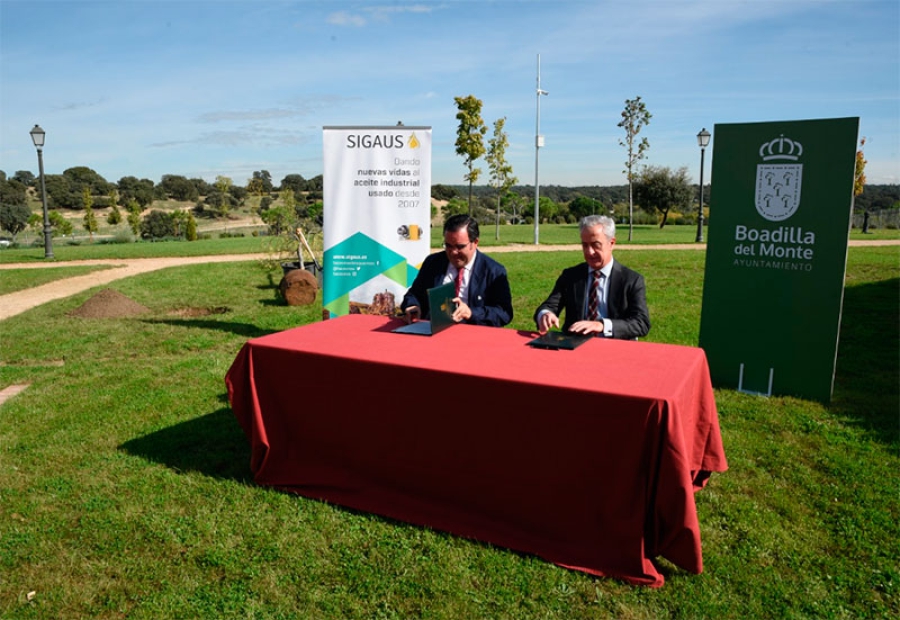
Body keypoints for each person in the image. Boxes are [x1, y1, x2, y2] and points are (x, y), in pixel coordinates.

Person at [534, 214, 650, 340]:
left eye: (596, 245)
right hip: (576, 347)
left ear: (611, 243)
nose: (589, 252)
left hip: (616, 349)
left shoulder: (631, 280)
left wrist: (602, 325)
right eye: (585, 245)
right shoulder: (571, 276)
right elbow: (549, 306)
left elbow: (641, 323)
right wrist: (545, 314)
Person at [401, 214, 513, 327]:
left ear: (475, 243)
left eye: (460, 247)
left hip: (473, 335)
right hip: (433, 332)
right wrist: (412, 305)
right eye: (448, 246)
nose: (453, 252)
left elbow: (504, 313)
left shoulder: (493, 271)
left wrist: (471, 313)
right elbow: (414, 294)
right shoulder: (433, 263)